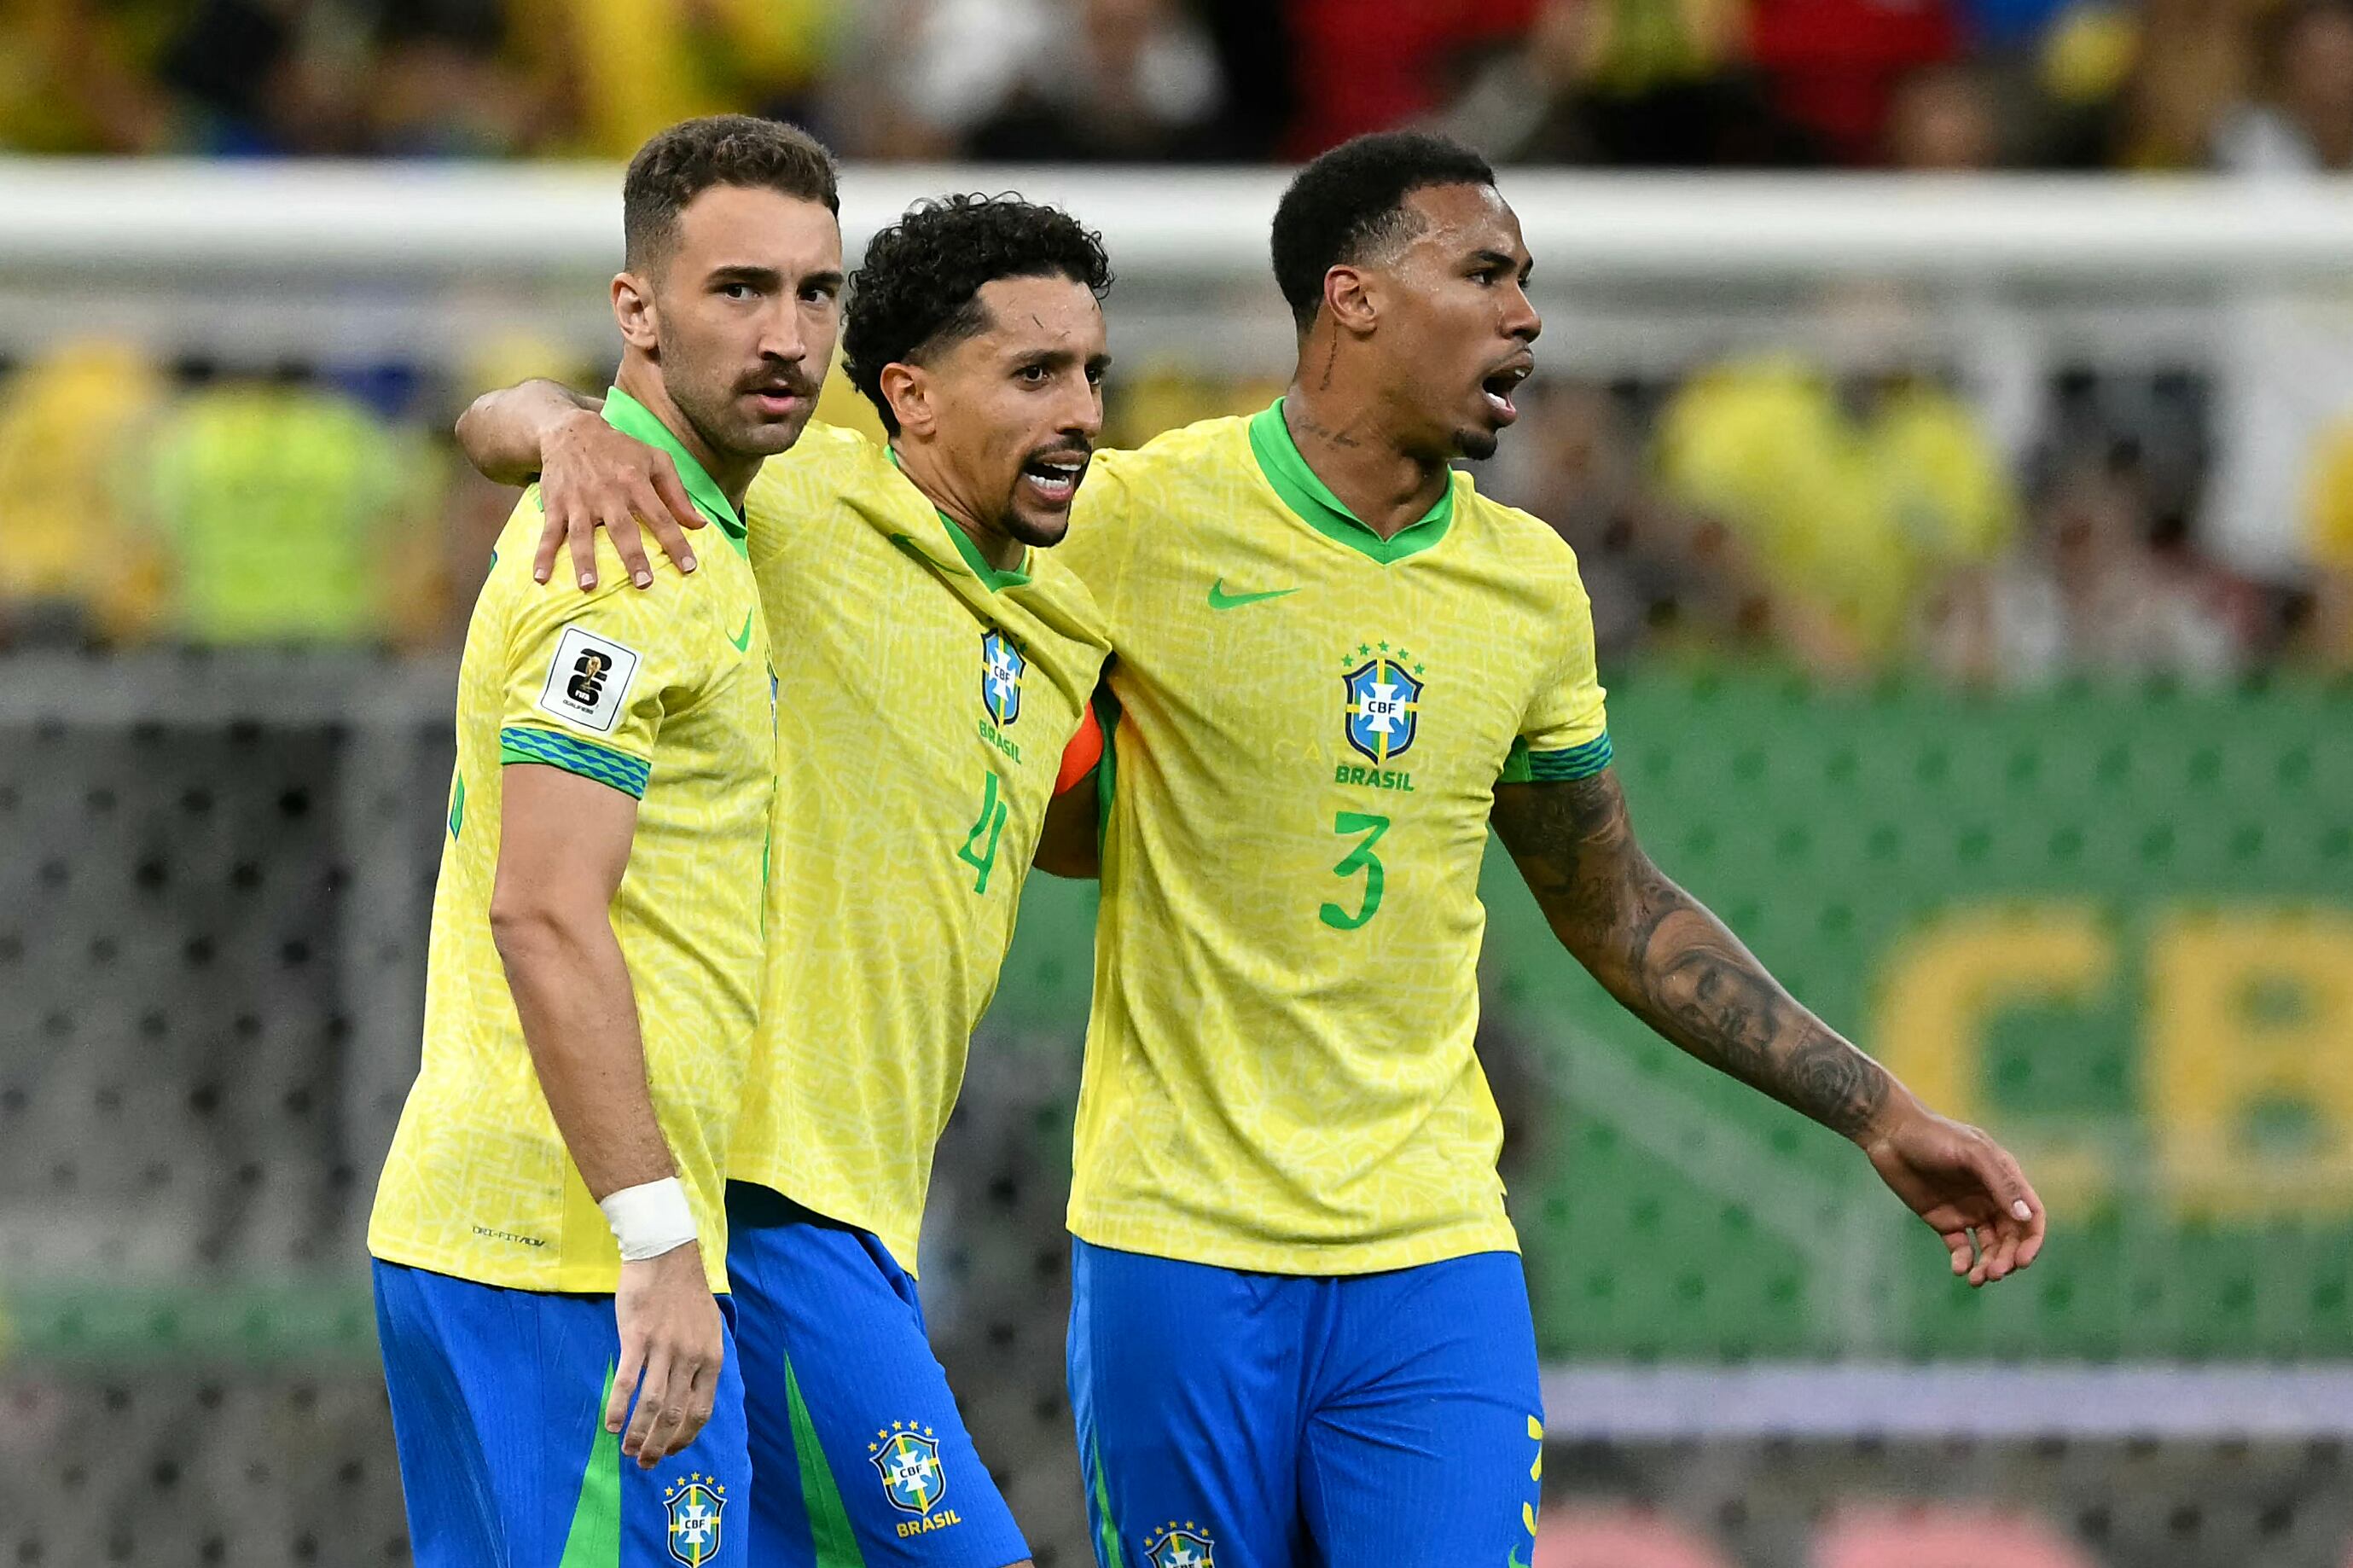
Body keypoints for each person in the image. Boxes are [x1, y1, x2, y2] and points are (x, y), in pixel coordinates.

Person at [496, 133, 2048, 1568]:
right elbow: (958, 686)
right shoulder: (1127, 516)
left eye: (1528, 285)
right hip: (1173, 1239)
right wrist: (565, 422)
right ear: (1354, 301)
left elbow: (1618, 906)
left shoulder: (1529, 588)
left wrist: (1875, 1107)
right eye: (1485, 275)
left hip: (1430, 1240)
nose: (1524, 319)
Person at [456, 192, 1114, 1565]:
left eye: (1093, 373)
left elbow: (1063, 818)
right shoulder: (800, 494)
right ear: (910, 397)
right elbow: (505, 419)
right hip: (755, 1191)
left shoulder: (1076, 598)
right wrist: (560, 429)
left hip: (868, 1201)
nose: (1082, 411)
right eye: (1035, 373)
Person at [366, 113, 843, 1567]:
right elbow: (545, 912)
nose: (786, 335)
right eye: (738, 290)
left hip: (498, 1230)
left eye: (816, 292)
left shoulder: (644, 490)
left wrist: (551, 418)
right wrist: (654, 1242)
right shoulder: (629, 561)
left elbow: (487, 419)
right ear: (636, 308)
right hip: (571, 1256)